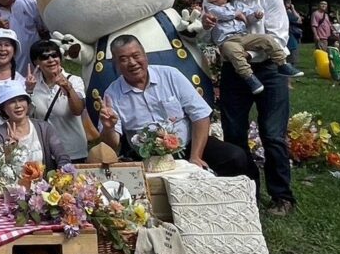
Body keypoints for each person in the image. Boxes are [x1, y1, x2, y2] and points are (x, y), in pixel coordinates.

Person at [205, 0, 298, 216]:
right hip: (234, 71)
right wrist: (207, 24)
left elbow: (278, 36)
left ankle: (282, 197)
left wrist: (249, 54)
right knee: (235, 133)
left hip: (268, 69)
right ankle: (246, 194)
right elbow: (209, 35)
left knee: (272, 135)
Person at [100, 35, 247, 179]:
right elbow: (112, 143)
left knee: (235, 157)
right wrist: (109, 128)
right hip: (146, 156)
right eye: (123, 59)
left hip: (188, 145)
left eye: (136, 55)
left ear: (145, 55)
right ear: (116, 65)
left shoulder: (170, 75)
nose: (132, 63)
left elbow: (200, 115)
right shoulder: (112, 94)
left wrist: (195, 156)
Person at [201, 0, 302, 94]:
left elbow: (247, 15)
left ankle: (282, 63)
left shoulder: (235, 4)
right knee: (234, 52)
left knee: (266, 39)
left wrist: (255, 15)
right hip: (227, 41)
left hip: (243, 36)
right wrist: (236, 14)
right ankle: (249, 77)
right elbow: (222, 14)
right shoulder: (210, 8)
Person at [25, 39, 89, 163]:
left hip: (73, 151)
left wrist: (68, 88)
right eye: (44, 57)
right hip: (45, 152)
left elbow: (78, 110)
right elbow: (27, 116)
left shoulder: (74, 80)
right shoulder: (31, 83)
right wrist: (29, 91)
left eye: (54, 55)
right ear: (36, 62)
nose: (51, 60)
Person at [0, 82, 70, 172]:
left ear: (28, 103)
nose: (18, 106)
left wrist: (62, 176)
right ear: (3, 108)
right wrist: (8, 153)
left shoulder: (43, 128)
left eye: (21, 100)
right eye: (12, 102)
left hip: (44, 185)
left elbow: (62, 156)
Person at [284, 0, 304, 65]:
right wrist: (293, 9)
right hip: (290, 37)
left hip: (287, 37)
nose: (290, 5)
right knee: (292, 57)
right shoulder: (287, 13)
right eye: (289, 3)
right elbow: (298, 20)